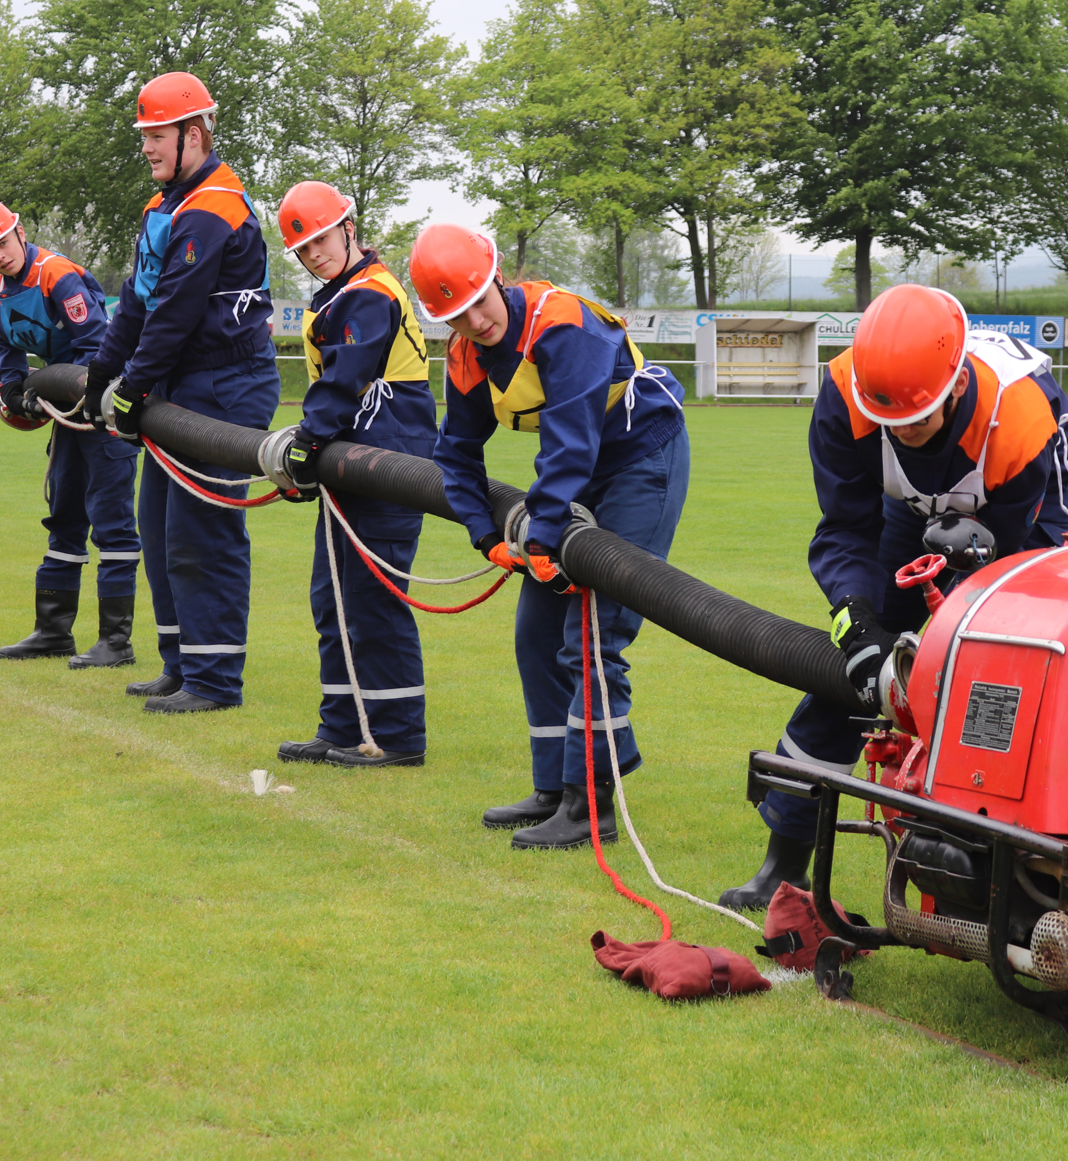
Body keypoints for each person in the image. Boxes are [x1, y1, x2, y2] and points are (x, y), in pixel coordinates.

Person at [721, 284, 1068, 909]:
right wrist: (859, 628)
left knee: (998, 673)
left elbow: (1027, 557)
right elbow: (845, 529)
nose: (903, 432)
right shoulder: (845, 394)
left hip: (1013, 512)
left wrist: (971, 587)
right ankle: (784, 864)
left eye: (916, 419)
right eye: (888, 421)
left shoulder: (1022, 422)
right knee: (857, 676)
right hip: (904, 517)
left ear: (953, 388)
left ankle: (1001, 862)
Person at [420, 224, 689, 849]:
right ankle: (552, 786)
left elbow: (570, 443)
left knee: (593, 635)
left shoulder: (562, 324)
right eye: (456, 317)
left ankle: (589, 802)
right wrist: (486, 535)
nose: (475, 323)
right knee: (538, 630)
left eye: (479, 303)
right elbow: (455, 455)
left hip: (641, 460)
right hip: (579, 476)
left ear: (497, 279)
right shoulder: (465, 356)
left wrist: (539, 534)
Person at [83, 71, 281, 714]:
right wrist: (98, 376)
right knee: (163, 529)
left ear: (193, 135)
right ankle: (180, 665)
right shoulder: (163, 207)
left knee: (205, 534)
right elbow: (136, 305)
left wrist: (130, 389)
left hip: (227, 386)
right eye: (143, 135)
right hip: (180, 384)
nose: (146, 146)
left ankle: (216, 681)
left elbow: (174, 311)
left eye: (156, 134)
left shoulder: (213, 205)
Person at [262, 182, 438, 768]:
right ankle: (340, 726)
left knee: (374, 603)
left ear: (348, 227)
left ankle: (396, 738)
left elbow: (344, 380)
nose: (314, 253)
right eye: (303, 249)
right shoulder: (338, 296)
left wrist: (307, 444)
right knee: (334, 599)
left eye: (320, 239)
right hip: (353, 461)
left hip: (387, 462)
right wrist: (314, 451)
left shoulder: (368, 294)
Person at [0, 198, 143, 667]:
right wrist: (14, 387)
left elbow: (97, 343)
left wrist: (65, 389)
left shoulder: (56, 274)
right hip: (67, 412)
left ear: (19, 234)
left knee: (112, 522)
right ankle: (53, 631)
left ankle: (116, 642)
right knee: (64, 516)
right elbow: (6, 347)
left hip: (104, 409)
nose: (1, 255)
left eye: (4, 242)